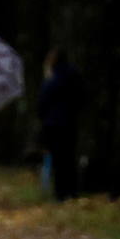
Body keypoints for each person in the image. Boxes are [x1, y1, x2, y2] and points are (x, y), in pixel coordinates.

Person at [38, 48, 82, 201]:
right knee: (69, 156)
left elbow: (43, 102)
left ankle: (61, 192)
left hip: (54, 124)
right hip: (70, 121)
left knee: (58, 158)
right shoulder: (74, 76)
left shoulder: (53, 78)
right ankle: (72, 190)